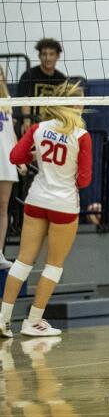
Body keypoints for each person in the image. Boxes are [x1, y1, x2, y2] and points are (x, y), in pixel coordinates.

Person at [0, 82, 90, 338]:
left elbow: (15, 157)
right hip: (63, 204)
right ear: (72, 105)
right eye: (80, 101)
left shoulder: (39, 129)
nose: (82, 105)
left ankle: (3, 318)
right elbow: (84, 180)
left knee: (22, 260)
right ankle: (33, 322)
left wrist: (35, 156)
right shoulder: (81, 136)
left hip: (37, 200)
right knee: (54, 265)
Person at [16, 38, 67, 129]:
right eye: (44, 54)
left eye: (51, 54)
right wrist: (26, 121)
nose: (48, 58)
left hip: (54, 126)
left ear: (57, 56)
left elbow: (64, 106)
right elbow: (25, 100)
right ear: (39, 56)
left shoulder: (61, 79)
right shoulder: (29, 75)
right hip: (33, 125)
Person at [0, 70, 17, 269]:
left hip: (5, 158)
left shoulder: (7, 100)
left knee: (3, 206)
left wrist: (18, 157)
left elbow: (11, 133)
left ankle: (0, 253)